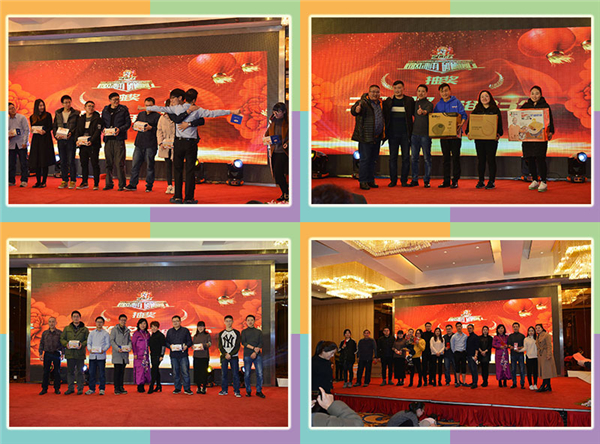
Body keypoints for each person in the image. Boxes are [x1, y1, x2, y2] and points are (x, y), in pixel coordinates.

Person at [144, 88, 239, 204]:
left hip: (178, 142)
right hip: (191, 143)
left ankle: (177, 197)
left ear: (183, 98)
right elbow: (213, 113)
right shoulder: (197, 109)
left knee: (177, 170)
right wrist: (231, 111)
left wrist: (145, 107)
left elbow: (162, 110)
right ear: (194, 100)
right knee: (190, 171)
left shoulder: (177, 108)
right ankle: (189, 198)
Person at [466, 90, 503, 189]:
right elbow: (470, 123)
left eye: (486, 96)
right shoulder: (476, 110)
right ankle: (481, 180)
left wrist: (499, 134)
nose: (484, 98)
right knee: (481, 160)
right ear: (479, 99)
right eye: (482, 97)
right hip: (480, 140)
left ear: (490, 97)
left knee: (491, 160)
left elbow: (499, 124)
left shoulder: (495, 109)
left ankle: (491, 181)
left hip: (491, 140)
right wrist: (468, 132)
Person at [521, 85, 555, 193]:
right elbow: (519, 119)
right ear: (529, 95)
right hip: (528, 138)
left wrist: (551, 132)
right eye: (532, 93)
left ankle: (543, 181)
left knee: (540, 158)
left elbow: (550, 120)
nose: (534, 96)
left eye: (537, 93)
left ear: (540, 94)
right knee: (529, 158)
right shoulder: (525, 106)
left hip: (541, 137)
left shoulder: (545, 106)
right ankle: (535, 180)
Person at [433, 83, 467, 188]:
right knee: (445, 158)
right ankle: (446, 180)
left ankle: (455, 180)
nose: (444, 93)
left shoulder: (456, 102)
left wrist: (462, 123)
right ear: (440, 93)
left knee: (455, 158)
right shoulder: (438, 105)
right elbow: (435, 118)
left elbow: (464, 115)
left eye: (446, 90)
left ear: (450, 91)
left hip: (456, 135)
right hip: (444, 136)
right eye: (442, 91)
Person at [351, 85, 384, 190]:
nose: (375, 94)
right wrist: (356, 110)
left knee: (373, 160)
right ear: (368, 93)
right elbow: (354, 110)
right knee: (365, 160)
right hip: (366, 137)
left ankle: (370, 180)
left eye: (377, 92)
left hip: (377, 137)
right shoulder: (363, 102)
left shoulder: (380, 104)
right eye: (373, 92)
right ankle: (363, 181)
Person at [125, 97, 161, 192]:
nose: (148, 107)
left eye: (150, 106)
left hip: (150, 144)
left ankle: (149, 185)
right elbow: (135, 125)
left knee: (150, 166)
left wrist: (151, 128)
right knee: (135, 165)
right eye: (146, 105)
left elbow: (160, 130)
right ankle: (132, 184)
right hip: (139, 143)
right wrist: (135, 126)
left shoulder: (157, 116)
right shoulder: (141, 114)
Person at [383, 80, 415, 187]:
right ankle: (393, 180)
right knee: (393, 158)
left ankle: (404, 180)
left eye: (399, 88)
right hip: (392, 135)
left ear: (403, 89)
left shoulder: (409, 101)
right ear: (393, 89)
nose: (397, 90)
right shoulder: (388, 102)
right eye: (395, 88)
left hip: (406, 134)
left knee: (406, 158)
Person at [101, 92, 131, 191]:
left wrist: (120, 129)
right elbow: (102, 123)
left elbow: (128, 123)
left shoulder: (123, 109)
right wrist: (103, 129)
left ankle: (122, 184)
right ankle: (108, 184)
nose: (116, 101)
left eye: (118, 99)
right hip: (108, 139)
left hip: (119, 139)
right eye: (114, 100)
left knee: (119, 163)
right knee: (108, 163)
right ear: (110, 100)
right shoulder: (105, 110)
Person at [59, 310, 89, 395]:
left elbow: (88, 340)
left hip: (80, 354)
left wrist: (82, 344)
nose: (76, 318)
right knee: (70, 372)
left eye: (77, 317)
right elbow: (62, 339)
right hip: (70, 354)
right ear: (72, 318)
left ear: (80, 318)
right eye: (74, 317)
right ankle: (70, 388)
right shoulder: (67, 328)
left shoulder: (85, 329)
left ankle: (80, 389)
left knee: (80, 372)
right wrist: (66, 344)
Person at [74, 100, 103, 190]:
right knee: (84, 164)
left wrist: (91, 140)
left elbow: (98, 131)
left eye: (92, 106)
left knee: (94, 164)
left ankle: (96, 183)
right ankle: (84, 182)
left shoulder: (97, 118)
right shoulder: (81, 118)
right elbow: (77, 130)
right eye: (89, 106)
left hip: (93, 145)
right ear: (85, 108)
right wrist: (77, 141)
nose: (91, 108)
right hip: (83, 144)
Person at [264, 102, 289, 201]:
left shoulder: (288, 122)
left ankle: (286, 193)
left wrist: (287, 143)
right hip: (275, 151)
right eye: (274, 112)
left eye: (278, 112)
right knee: (276, 174)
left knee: (279, 172)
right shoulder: (273, 122)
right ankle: (285, 192)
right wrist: (269, 140)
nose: (275, 114)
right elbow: (266, 135)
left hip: (284, 152)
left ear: (284, 112)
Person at [53, 95, 79, 189]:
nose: (67, 104)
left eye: (69, 102)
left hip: (70, 139)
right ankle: (64, 180)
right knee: (63, 160)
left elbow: (77, 126)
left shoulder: (75, 113)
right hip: (61, 139)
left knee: (71, 160)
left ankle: (73, 180)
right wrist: (56, 135)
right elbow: (55, 126)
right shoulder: (58, 113)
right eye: (65, 102)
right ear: (62, 104)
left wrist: (72, 133)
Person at [28, 99, 55, 188]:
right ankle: (38, 181)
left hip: (45, 140)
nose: (42, 107)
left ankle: (44, 181)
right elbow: (33, 127)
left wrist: (45, 131)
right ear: (36, 107)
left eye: (43, 105)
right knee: (37, 161)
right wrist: (33, 130)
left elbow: (50, 126)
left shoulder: (48, 115)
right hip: (36, 140)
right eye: (40, 105)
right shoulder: (32, 117)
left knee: (44, 160)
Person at [411, 84, 433, 187]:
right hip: (414, 134)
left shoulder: (429, 104)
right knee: (414, 158)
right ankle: (414, 179)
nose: (421, 93)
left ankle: (426, 180)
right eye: (419, 91)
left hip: (425, 135)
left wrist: (422, 112)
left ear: (426, 93)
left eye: (423, 91)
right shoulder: (414, 104)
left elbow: (426, 111)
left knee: (426, 158)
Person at [166, 315, 194, 395]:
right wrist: (170, 346)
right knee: (175, 372)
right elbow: (166, 342)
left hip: (183, 355)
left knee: (185, 372)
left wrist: (186, 346)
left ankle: (187, 389)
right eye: (174, 321)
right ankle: (177, 388)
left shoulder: (185, 330)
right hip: (173, 355)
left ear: (180, 322)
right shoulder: (169, 331)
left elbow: (190, 341)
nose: (175, 323)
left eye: (177, 321)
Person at [217, 314, 242, 397]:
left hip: (234, 356)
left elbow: (237, 345)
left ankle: (237, 391)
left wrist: (230, 354)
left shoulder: (236, 333)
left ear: (232, 322)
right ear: (224, 322)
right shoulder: (221, 333)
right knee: (224, 374)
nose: (228, 323)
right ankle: (224, 390)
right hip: (224, 356)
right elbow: (220, 346)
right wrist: (225, 354)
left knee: (235, 374)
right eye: (227, 321)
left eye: (230, 321)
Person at [241, 314, 265, 398]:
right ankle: (248, 391)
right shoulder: (244, 332)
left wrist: (255, 351)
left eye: (251, 320)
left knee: (260, 373)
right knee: (247, 374)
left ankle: (259, 391)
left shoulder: (259, 332)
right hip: (247, 355)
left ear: (254, 321)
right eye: (248, 320)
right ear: (246, 322)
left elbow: (261, 343)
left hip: (258, 355)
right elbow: (244, 343)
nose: (250, 322)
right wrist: (254, 348)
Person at [85, 316, 110, 395]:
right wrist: (90, 349)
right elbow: (88, 343)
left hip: (101, 356)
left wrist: (103, 350)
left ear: (103, 323)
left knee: (102, 374)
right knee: (91, 373)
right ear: (95, 323)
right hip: (92, 356)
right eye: (98, 322)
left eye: (101, 322)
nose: (99, 324)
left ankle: (102, 389)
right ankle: (91, 389)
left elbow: (108, 344)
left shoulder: (105, 333)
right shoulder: (91, 333)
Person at [38, 316, 63, 395]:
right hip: (47, 354)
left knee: (57, 372)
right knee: (46, 372)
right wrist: (40, 353)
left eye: (53, 322)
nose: (51, 323)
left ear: (56, 323)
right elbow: (41, 343)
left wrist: (63, 353)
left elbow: (62, 344)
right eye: (50, 322)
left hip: (56, 353)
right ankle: (44, 388)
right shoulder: (45, 333)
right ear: (48, 323)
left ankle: (57, 388)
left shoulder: (60, 333)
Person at [8, 102, 30, 187]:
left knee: (23, 163)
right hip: (12, 144)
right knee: (11, 163)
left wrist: (25, 142)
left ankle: (24, 180)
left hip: (21, 143)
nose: (12, 110)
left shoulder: (22, 117)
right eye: (10, 109)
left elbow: (26, 130)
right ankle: (11, 180)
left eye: (13, 108)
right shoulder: (6, 120)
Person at [157, 99, 176, 194]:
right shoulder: (162, 118)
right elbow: (159, 130)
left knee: (176, 166)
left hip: (175, 145)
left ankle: (176, 185)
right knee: (168, 166)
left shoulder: (178, 117)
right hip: (165, 145)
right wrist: (160, 142)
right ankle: (169, 185)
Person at [110, 314, 131, 395]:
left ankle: (121, 387)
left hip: (124, 354)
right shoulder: (114, 329)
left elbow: (129, 341)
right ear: (119, 321)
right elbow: (112, 341)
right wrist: (117, 348)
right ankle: (116, 388)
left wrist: (129, 347)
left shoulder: (127, 330)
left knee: (122, 372)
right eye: (122, 320)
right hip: (117, 354)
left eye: (124, 320)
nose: (123, 321)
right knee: (117, 371)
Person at [535, 323, 557, 392]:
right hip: (541, 355)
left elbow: (549, 346)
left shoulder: (546, 335)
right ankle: (548, 386)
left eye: (539, 328)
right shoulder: (538, 336)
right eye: (536, 328)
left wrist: (549, 355)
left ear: (542, 328)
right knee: (546, 371)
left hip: (545, 355)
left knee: (546, 371)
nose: (537, 329)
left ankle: (543, 385)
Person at [191, 321, 211, 394]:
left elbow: (209, 344)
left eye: (202, 326)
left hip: (204, 356)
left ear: (204, 327)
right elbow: (192, 345)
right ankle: (198, 387)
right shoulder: (195, 336)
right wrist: (193, 347)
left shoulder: (207, 335)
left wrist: (203, 345)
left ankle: (204, 387)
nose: (200, 328)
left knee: (204, 372)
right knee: (197, 372)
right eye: (199, 326)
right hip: (196, 356)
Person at [132, 318, 151, 392]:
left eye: (144, 323)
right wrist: (135, 353)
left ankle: (144, 384)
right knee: (139, 370)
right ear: (138, 325)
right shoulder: (136, 333)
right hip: (138, 355)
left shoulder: (147, 333)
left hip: (145, 355)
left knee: (145, 370)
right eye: (141, 324)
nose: (143, 325)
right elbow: (133, 344)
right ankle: (139, 386)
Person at [148, 320, 166, 394]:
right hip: (152, 355)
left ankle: (151, 386)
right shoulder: (152, 335)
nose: (153, 328)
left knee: (154, 370)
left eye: (155, 327)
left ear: (158, 327)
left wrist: (162, 355)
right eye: (152, 327)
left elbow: (163, 346)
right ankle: (158, 385)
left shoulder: (161, 335)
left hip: (158, 355)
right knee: (156, 370)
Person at [508, 322, 526, 389]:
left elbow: (524, 345)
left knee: (522, 369)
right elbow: (508, 344)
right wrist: (511, 347)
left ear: (519, 327)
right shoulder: (510, 336)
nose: (515, 328)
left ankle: (522, 383)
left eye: (516, 327)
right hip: (513, 354)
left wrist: (520, 348)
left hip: (520, 354)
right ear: (512, 328)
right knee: (513, 369)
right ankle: (514, 383)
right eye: (514, 327)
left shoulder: (522, 336)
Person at [450, 322, 468, 386]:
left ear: (461, 327)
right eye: (457, 326)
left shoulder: (465, 336)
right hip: (457, 353)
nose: (459, 327)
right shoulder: (453, 336)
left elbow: (466, 345)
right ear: (456, 327)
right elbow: (452, 346)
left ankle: (464, 382)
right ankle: (458, 382)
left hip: (463, 353)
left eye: (460, 326)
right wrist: (455, 352)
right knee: (457, 367)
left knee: (464, 367)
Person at [523, 326, 539, 390]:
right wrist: (518, 350)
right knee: (529, 372)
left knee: (535, 372)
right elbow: (525, 348)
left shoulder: (537, 338)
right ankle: (530, 384)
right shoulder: (526, 339)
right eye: (529, 331)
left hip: (536, 357)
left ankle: (535, 384)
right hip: (529, 357)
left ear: (534, 331)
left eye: (532, 331)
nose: (531, 332)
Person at [466, 324, 479, 389]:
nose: (469, 329)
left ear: (473, 329)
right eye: (468, 328)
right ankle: (473, 381)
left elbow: (477, 347)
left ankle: (475, 383)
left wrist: (476, 355)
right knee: (471, 369)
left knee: (474, 370)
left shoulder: (475, 337)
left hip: (473, 356)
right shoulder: (468, 337)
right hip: (468, 355)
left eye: (470, 328)